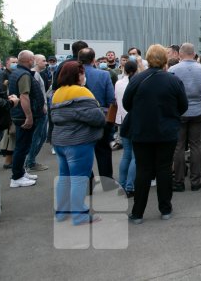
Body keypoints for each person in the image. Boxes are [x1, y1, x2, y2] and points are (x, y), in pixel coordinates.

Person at [123, 44, 188, 224]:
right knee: (164, 169)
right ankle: (165, 208)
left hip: (142, 131)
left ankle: (137, 212)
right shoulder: (173, 80)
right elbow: (183, 106)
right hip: (166, 131)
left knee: (143, 170)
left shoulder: (137, 79)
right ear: (165, 60)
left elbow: (126, 104)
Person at [51, 60, 106, 225]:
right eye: (83, 73)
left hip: (60, 141)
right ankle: (79, 215)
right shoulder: (82, 92)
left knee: (64, 177)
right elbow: (97, 118)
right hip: (79, 143)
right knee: (79, 179)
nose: (85, 76)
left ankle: (61, 212)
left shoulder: (57, 93)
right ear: (78, 75)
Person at [168, 43, 201, 192]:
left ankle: (179, 181)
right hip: (196, 112)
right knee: (196, 145)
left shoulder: (173, 70)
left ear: (180, 54)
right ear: (194, 54)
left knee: (179, 146)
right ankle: (195, 181)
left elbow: (168, 91)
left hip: (179, 112)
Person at [78, 48, 116, 188]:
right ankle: (107, 184)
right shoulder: (104, 75)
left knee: (83, 153)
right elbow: (111, 98)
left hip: (80, 119)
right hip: (102, 117)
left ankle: (88, 182)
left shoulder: (73, 74)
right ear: (94, 60)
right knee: (103, 152)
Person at [8, 50, 46, 188]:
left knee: (23, 145)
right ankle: (17, 177)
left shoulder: (16, 72)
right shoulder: (24, 75)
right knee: (22, 147)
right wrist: (29, 117)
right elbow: (24, 97)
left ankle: (21, 172)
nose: (34, 61)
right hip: (23, 116)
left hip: (19, 114)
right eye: (33, 59)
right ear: (29, 60)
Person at [114, 61, 137, 197]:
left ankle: (122, 184)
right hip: (134, 120)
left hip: (122, 120)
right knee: (135, 156)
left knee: (126, 154)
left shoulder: (118, 83)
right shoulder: (135, 83)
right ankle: (130, 185)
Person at [25, 54, 49, 172]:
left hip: (41, 110)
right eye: (43, 61)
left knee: (41, 136)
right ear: (36, 61)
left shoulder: (37, 74)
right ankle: (30, 162)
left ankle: (30, 161)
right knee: (38, 137)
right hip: (40, 111)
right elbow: (37, 95)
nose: (46, 63)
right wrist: (42, 107)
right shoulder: (34, 75)